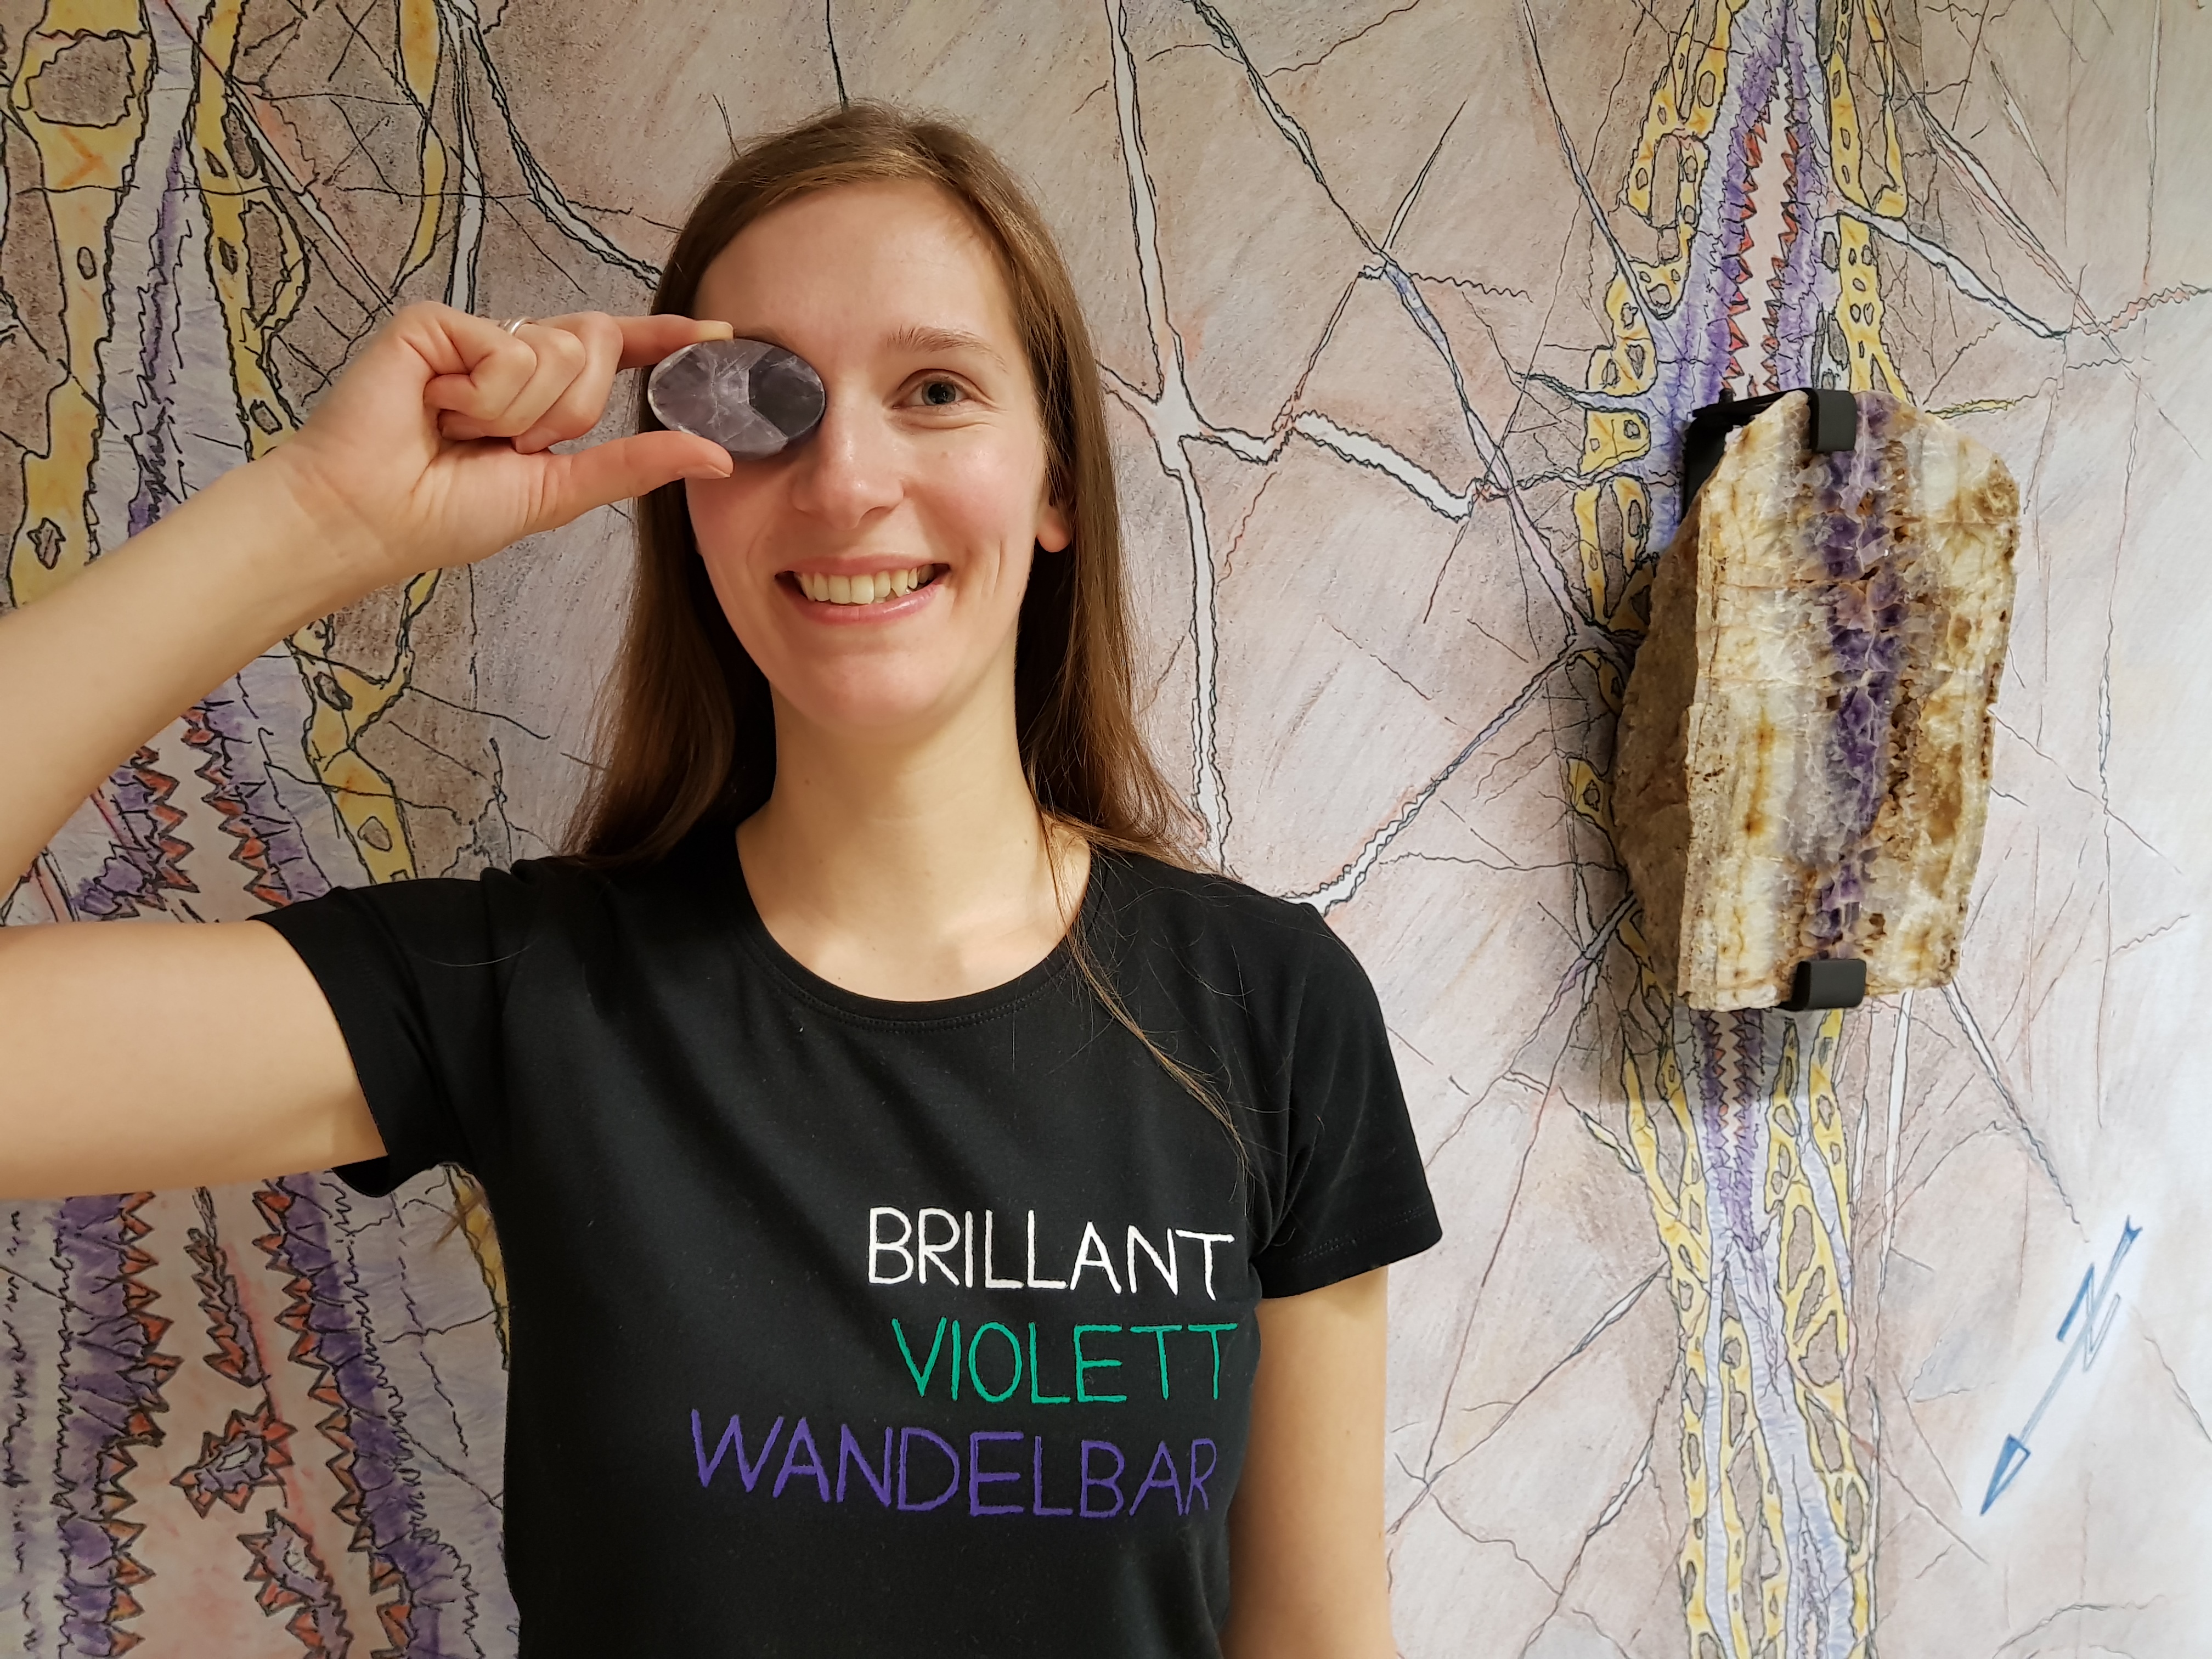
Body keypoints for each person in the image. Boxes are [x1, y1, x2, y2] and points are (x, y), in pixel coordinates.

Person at [0, 104, 1438, 1657]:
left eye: (937, 391)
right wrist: (316, 518)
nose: (845, 480)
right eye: (762, 401)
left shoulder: (1268, 1011)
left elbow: (1317, 1637)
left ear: (1057, 486)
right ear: (689, 494)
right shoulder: (530, 990)